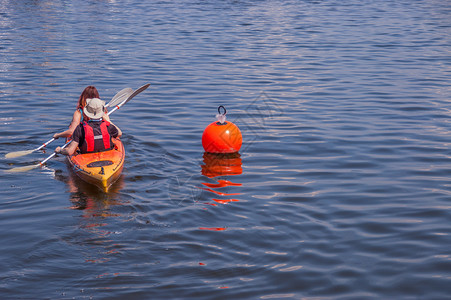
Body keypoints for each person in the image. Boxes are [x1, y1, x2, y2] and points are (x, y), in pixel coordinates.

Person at [55, 98, 122, 156]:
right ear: (102, 112)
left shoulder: (80, 128)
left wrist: (60, 150)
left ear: (87, 111)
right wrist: (108, 120)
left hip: (86, 157)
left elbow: (70, 152)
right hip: (107, 156)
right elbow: (119, 133)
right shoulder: (108, 126)